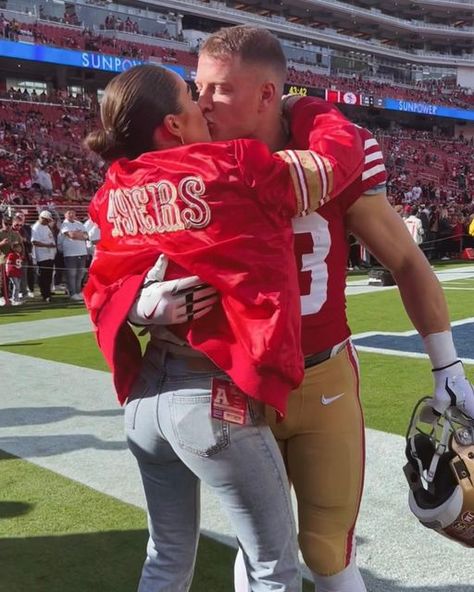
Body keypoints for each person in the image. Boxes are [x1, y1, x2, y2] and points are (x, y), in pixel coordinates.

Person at [144, 25, 473, 592]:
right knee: (261, 547)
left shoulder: (331, 153)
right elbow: (127, 260)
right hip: (237, 383)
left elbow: (407, 260)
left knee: (326, 549)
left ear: (268, 94)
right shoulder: (191, 157)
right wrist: (141, 305)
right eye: (198, 87)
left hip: (323, 378)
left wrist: (446, 365)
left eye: (219, 89)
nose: (201, 102)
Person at [83, 64, 366, 592]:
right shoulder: (231, 167)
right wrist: (309, 109)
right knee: (271, 569)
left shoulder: (114, 187)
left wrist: (140, 308)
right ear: (172, 124)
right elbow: (334, 164)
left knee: (165, 558)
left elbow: (99, 289)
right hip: (210, 400)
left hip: (144, 401)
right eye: (192, 97)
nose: (203, 105)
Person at [60, 209, 88, 301]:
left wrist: (78, 235)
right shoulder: (64, 224)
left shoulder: (79, 223)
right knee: (72, 274)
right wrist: (80, 235)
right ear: (65, 215)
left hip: (82, 252)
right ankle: (72, 292)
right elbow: (71, 235)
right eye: (69, 213)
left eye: (73, 212)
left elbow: (87, 235)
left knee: (80, 274)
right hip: (70, 253)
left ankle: (78, 291)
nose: (71, 214)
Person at [31, 210, 56, 303]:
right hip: (42, 255)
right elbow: (34, 242)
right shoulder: (36, 227)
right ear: (42, 218)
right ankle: (45, 294)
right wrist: (48, 245)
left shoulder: (46, 226)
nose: (48, 222)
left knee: (49, 276)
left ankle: (48, 292)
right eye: (47, 220)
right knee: (44, 276)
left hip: (50, 255)